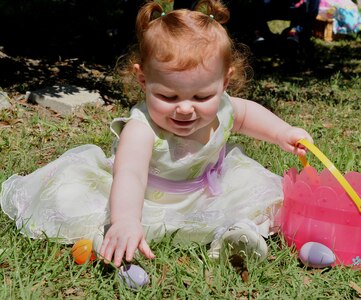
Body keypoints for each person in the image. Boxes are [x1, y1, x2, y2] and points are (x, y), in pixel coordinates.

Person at [0, 0, 313, 268]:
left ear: (225, 82)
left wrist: (282, 132)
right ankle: (106, 235)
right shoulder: (141, 129)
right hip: (146, 199)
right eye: (169, 97)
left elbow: (247, 114)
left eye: (202, 97)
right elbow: (131, 176)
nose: (186, 109)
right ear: (142, 80)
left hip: (208, 191)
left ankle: (237, 235)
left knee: (263, 195)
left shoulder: (224, 106)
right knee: (86, 208)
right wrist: (125, 220)